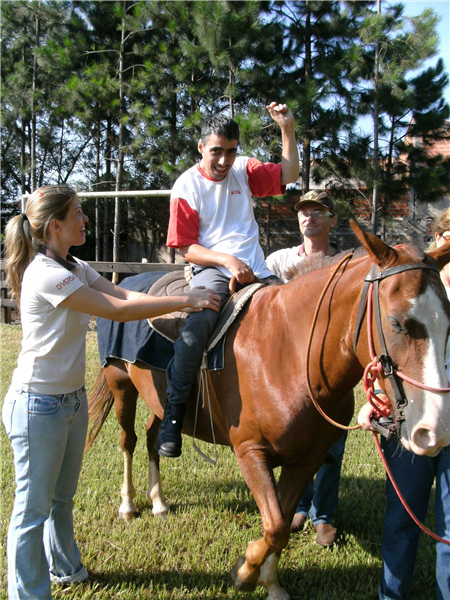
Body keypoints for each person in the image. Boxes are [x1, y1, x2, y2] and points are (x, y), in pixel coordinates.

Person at [1, 184, 220, 600]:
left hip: (70, 399)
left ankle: (66, 569)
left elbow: (121, 292)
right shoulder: (46, 274)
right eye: (79, 213)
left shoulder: (74, 265)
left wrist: (176, 304)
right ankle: (27, 594)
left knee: (62, 499)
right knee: (32, 511)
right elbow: (115, 310)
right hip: (38, 405)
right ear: (55, 225)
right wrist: (189, 300)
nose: (85, 219)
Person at [155, 102, 299, 459]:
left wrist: (287, 129)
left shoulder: (244, 169)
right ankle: (174, 414)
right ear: (201, 147)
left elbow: (289, 174)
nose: (224, 161)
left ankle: (299, 416)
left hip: (257, 268)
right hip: (212, 268)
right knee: (198, 325)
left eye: (231, 152)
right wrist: (227, 260)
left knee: (297, 320)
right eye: (216, 151)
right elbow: (187, 248)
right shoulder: (186, 186)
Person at [358, 207, 450, 600]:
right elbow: (391, 344)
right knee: (401, 516)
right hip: (409, 407)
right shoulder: (415, 280)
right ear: (440, 236)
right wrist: (376, 396)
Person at [266, 189, 347, 548]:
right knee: (294, 438)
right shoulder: (279, 261)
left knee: (331, 444)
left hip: (331, 369)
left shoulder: (344, 263)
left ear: (332, 220)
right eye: (304, 211)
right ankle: (298, 504)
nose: (309, 217)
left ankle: (323, 515)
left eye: (319, 212)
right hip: (289, 368)